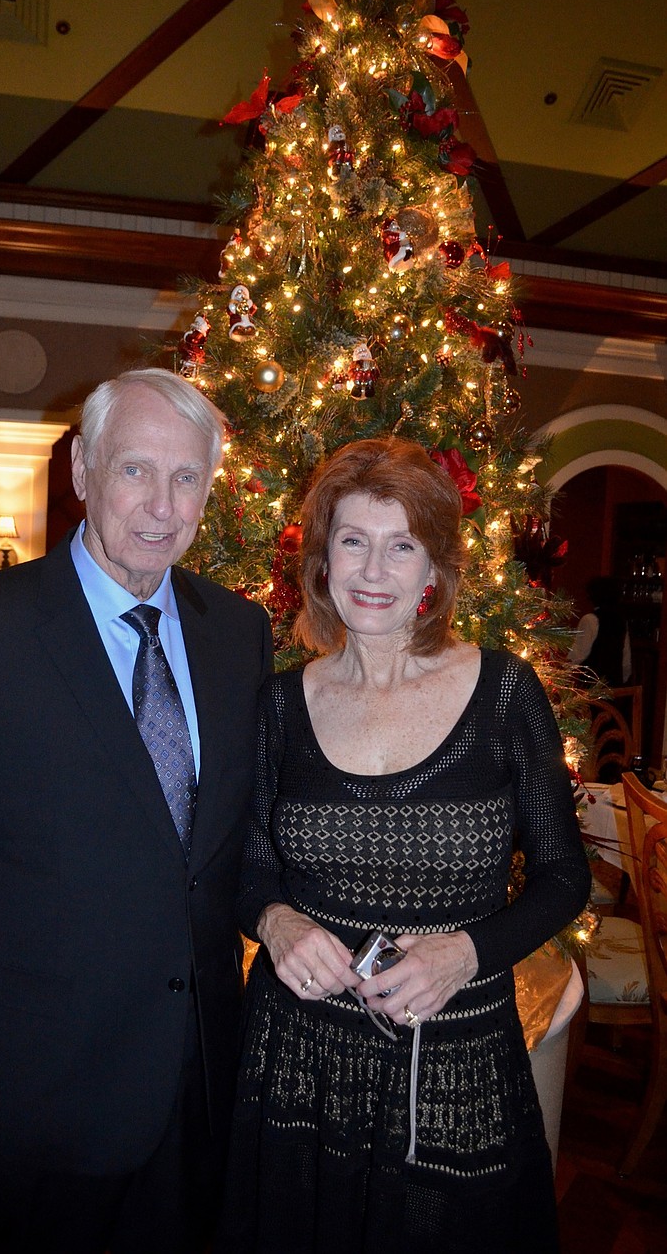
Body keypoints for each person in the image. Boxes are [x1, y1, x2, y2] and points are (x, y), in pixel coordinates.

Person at [0, 368, 273, 1253]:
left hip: (197, 1094)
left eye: (187, 477)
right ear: (83, 468)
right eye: (135, 470)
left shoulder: (238, 635)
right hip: (35, 1106)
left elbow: (233, 849)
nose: (163, 505)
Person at [217, 437, 591, 1254]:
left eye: (402, 544)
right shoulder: (280, 704)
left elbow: (566, 876)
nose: (374, 569)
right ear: (323, 562)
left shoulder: (502, 693)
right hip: (301, 1057)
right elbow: (248, 868)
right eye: (353, 540)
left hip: (455, 1057)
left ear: (435, 570)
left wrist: (467, 951)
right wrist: (275, 921)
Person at [568, 574, 632, 686]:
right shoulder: (621, 621)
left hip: (592, 683)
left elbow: (579, 653)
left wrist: (562, 668)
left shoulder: (589, 619)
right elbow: (626, 657)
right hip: (614, 683)